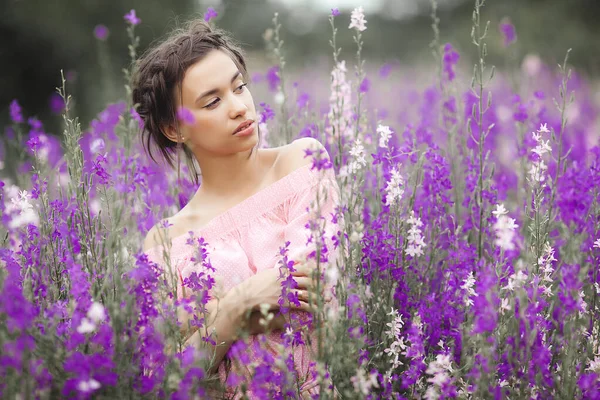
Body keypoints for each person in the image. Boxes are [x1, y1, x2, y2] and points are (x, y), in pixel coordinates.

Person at [133, 18, 343, 399]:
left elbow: (313, 300)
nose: (239, 107)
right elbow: (161, 379)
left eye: (239, 87)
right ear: (174, 129)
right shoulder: (166, 242)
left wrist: (205, 329)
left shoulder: (301, 162)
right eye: (212, 101)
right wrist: (239, 304)